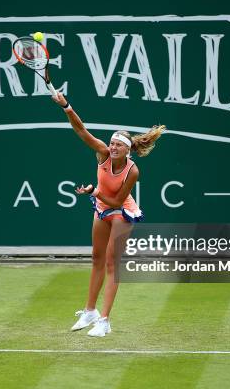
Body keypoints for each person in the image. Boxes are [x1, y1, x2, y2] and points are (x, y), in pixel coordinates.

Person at [52, 92, 165, 337]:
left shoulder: (132, 171)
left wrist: (94, 192)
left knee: (113, 264)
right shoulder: (102, 153)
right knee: (96, 258)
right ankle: (90, 311)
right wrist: (67, 106)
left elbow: (115, 200)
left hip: (122, 210)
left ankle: (104, 320)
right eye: (112, 143)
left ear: (127, 150)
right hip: (102, 208)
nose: (112, 147)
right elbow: (82, 131)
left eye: (118, 145)